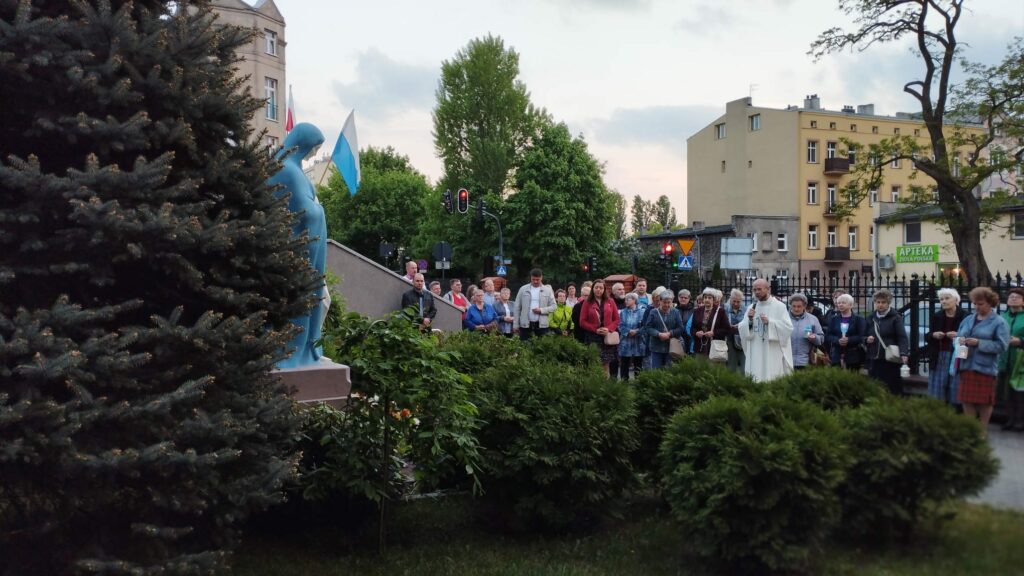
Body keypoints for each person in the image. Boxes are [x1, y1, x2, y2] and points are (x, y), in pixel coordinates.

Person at [954, 287, 1010, 433]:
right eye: (975, 303)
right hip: (966, 365)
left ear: (990, 303)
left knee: (985, 401)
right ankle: (971, 428)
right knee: (966, 399)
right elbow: (958, 337)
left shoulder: (999, 322)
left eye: (981, 304)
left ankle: (982, 430)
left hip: (985, 368)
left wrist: (979, 343)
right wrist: (960, 342)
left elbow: (1002, 346)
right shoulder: (968, 319)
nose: (977, 307)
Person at [738, 279, 794, 382]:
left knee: (772, 378)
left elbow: (788, 328)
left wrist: (770, 323)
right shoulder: (751, 307)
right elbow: (742, 328)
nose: (757, 292)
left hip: (772, 351)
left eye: (759, 289)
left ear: (768, 289)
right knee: (755, 377)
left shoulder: (779, 306)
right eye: (754, 290)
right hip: (756, 350)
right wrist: (749, 320)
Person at [865, 288, 910, 395]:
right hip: (874, 357)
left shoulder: (895, 318)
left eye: (883, 302)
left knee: (892, 386)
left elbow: (902, 337)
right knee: (875, 386)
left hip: (890, 358)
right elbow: (863, 334)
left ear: (888, 303)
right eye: (878, 302)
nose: (880, 305)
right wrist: (866, 339)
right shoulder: (871, 318)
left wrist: (903, 353)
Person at [927, 288, 967, 406]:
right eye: (941, 299)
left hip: (958, 355)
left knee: (956, 386)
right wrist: (933, 335)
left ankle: (955, 411)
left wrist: (958, 335)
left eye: (947, 298)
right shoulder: (937, 315)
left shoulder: (966, 316)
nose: (943, 301)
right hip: (939, 355)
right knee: (937, 388)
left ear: (956, 300)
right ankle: (938, 410)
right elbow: (928, 335)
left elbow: (971, 336)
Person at [580, 279, 621, 376]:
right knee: (593, 363)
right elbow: (582, 322)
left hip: (606, 337)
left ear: (604, 289)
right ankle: (594, 383)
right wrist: (595, 329)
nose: (598, 289)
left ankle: (604, 384)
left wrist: (608, 329)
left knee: (605, 365)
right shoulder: (587, 302)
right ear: (593, 289)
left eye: (601, 288)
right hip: (592, 337)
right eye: (596, 287)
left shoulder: (610, 301)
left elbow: (616, 319)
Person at [999, 288, 1024, 431]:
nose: (1013, 298)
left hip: (1020, 360)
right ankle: (1010, 419)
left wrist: (1020, 341)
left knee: (1019, 392)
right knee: (1007, 391)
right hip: (1005, 359)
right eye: (1011, 297)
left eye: (1017, 297)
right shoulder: (1003, 317)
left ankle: (1020, 421)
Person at [645, 289, 685, 369]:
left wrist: (670, 333)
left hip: (671, 348)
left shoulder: (676, 312)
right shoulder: (653, 312)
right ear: (660, 301)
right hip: (656, 347)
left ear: (672, 302)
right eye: (664, 302)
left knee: (669, 371)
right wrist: (658, 334)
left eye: (669, 302)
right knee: (656, 370)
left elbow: (680, 328)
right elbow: (648, 327)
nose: (666, 305)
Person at [825, 294, 867, 370]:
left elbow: (862, 336)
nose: (840, 305)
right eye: (839, 303)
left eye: (843, 303)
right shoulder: (833, 319)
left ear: (850, 305)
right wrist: (837, 340)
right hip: (837, 355)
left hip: (853, 355)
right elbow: (828, 336)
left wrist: (849, 340)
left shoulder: (859, 319)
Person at [513, 268, 557, 340]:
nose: (535, 281)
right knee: (524, 345)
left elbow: (554, 306)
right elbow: (517, 308)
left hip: (542, 325)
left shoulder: (548, 290)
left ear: (541, 278)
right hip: (525, 325)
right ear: (530, 277)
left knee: (541, 346)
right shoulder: (523, 289)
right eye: (533, 279)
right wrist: (515, 325)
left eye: (537, 279)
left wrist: (541, 310)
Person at [688, 287, 730, 358]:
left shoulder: (720, 312)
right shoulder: (697, 311)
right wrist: (696, 333)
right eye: (705, 297)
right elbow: (692, 328)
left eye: (709, 298)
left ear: (714, 299)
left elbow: (727, 329)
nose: (707, 300)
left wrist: (714, 333)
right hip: (700, 347)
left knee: (713, 365)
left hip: (715, 347)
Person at [789, 293, 825, 370]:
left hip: (806, 361)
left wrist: (814, 337)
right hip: (787, 360)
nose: (796, 309)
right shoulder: (785, 318)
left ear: (804, 306)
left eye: (799, 306)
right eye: (794, 306)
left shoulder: (813, 319)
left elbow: (821, 339)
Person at [618, 293, 646, 380]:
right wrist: (628, 332)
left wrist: (637, 331)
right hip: (626, 341)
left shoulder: (642, 311)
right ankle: (624, 382)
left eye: (628, 299)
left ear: (634, 300)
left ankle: (639, 382)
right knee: (624, 363)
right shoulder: (622, 312)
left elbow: (645, 326)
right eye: (625, 300)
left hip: (639, 341)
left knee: (638, 363)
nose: (626, 301)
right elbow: (620, 325)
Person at [726, 289, 747, 373]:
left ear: (741, 301)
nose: (735, 303)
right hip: (730, 339)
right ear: (730, 299)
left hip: (742, 339)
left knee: (744, 363)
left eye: (738, 302)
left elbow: (748, 322)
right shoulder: (726, 309)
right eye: (734, 301)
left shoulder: (745, 310)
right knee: (731, 363)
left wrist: (740, 326)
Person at [676, 289, 695, 357]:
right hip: (677, 337)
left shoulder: (693, 310)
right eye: (681, 297)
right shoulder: (674, 309)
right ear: (678, 298)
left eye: (685, 298)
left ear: (689, 299)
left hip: (689, 337)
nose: (683, 299)